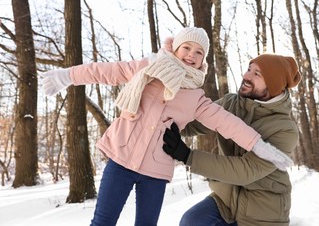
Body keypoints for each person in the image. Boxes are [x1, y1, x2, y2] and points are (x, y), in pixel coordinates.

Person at [41, 27, 293, 226]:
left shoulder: (196, 96)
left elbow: (227, 123)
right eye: (187, 47)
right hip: (122, 158)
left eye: (199, 53)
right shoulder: (148, 68)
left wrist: (259, 146)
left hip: (156, 170)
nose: (192, 55)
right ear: (174, 48)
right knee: (103, 221)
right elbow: (106, 72)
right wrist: (67, 76)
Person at [163, 53, 301, 226]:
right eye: (249, 69)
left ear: (274, 85)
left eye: (256, 74)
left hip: (264, 210)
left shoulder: (285, 129)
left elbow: (247, 171)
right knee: (192, 221)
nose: (246, 76)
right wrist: (163, 116)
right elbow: (191, 124)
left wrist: (187, 156)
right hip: (225, 200)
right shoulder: (230, 104)